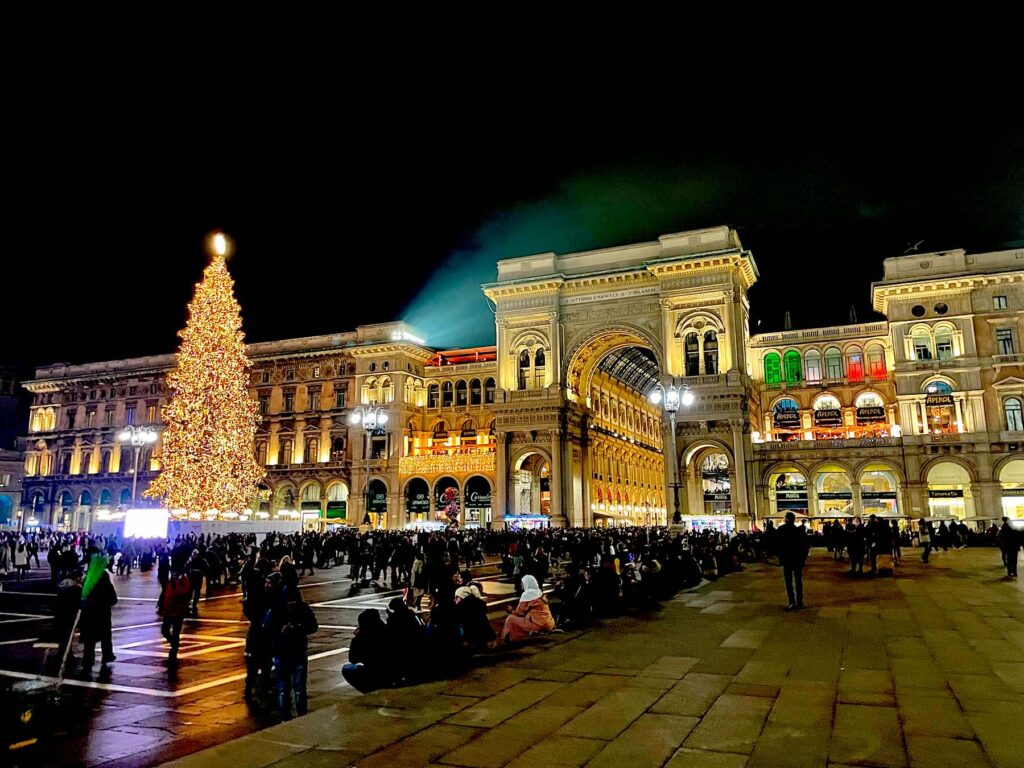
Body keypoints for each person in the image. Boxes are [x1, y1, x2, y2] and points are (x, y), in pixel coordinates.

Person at [263, 587, 319, 719]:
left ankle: (287, 716)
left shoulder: (276, 609)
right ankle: (299, 716)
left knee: (286, 689)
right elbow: (313, 626)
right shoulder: (301, 608)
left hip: (285, 652)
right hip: (293, 652)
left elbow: (266, 628)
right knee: (297, 689)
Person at [80, 553, 118, 671]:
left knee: (89, 640)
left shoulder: (88, 578)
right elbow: (113, 599)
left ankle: (88, 661)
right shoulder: (105, 579)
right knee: (105, 636)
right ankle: (107, 655)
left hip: (89, 614)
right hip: (103, 614)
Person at [341, 609, 392, 693]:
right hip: (392, 672)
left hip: (374, 672)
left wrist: (356, 638)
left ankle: (368, 690)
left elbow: (353, 659)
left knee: (347, 668)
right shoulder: (387, 630)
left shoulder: (363, 637)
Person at [502, 574, 555, 641]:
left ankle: (504, 639)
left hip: (539, 625)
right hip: (549, 624)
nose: (521, 584)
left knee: (510, 619)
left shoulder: (528, 595)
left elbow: (519, 613)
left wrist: (511, 610)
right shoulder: (539, 592)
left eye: (522, 583)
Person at [159, 565, 193, 664]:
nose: (173, 574)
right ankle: (174, 643)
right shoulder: (171, 581)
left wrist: (177, 583)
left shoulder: (183, 581)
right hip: (168, 610)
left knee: (176, 631)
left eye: (175, 572)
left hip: (178, 611)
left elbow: (183, 593)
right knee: (164, 630)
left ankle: (174, 650)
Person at [775, 512, 809, 610]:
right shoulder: (799, 531)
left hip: (787, 559)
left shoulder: (781, 530)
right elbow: (805, 546)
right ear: (794, 520)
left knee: (788, 582)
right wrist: (803, 558)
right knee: (798, 581)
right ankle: (800, 602)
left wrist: (780, 557)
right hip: (797, 559)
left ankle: (792, 602)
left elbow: (778, 545)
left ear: (785, 519)